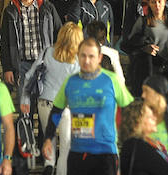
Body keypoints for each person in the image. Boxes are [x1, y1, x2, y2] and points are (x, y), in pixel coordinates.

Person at [41, 38, 135, 175]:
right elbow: (56, 111)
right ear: (77, 56)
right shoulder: (70, 82)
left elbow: (130, 111)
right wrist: (48, 138)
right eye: (83, 56)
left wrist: (130, 144)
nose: (86, 61)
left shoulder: (112, 80)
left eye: (91, 56)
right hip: (77, 153)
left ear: (99, 58)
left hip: (105, 153)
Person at [19, 22, 82, 175]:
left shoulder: (48, 52)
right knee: (66, 145)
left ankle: (48, 165)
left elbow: (30, 75)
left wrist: (24, 100)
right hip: (66, 107)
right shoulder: (79, 59)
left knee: (49, 139)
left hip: (45, 102)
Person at [1, 0, 63, 88]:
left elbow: (59, 34)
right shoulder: (10, 11)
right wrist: (7, 68)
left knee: (45, 104)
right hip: (21, 65)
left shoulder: (47, 8)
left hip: (45, 63)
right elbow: (5, 42)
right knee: (25, 104)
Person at [121, 0, 168, 96]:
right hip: (147, 69)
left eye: (159, 1)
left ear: (165, 2)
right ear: (149, 4)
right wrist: (144, 48)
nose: (157, 5)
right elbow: (128, 45)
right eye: (153, 2)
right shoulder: (143, 22)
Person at [118, 100, 168, 175]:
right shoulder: (137, 146)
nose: (155, 118)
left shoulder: (142, 144)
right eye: (150, 117)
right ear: (137, 121)